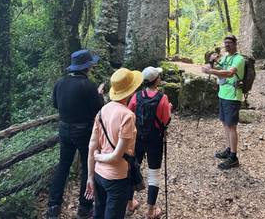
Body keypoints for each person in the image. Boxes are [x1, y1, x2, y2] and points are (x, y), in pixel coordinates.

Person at [47, 49, 104, 219]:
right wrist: (99, 95)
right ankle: (84, 207)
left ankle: (53, 206)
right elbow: (98, 109)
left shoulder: (60, 83)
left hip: (64, 129)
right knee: (88, 166)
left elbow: (56, 105)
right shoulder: (89, 85)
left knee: (63, 166)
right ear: (87, 67)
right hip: (84, 131)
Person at [85, 67, 143, 219]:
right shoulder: (128, 115)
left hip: (98, 175)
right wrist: (99, 157)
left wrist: (90, 177)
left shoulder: (102, 111)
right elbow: (117, 156)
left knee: (98, 214)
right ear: (130, 91)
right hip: (117, 177)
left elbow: (92, 146)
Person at [128, 66, 172, 219]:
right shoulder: (163, 98)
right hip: (155, 140)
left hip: (137, 139)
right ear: (157, 80)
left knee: (133, 168)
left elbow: (130, 114)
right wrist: (169, 109)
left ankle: (130, 203)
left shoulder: (136, 96)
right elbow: (165, 120)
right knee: (154, 174)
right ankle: (150, 211)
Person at [202, 34, 245, 170]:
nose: (227, 45)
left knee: (231, 126)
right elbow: (220, 70)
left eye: (229, 43)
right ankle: (228, 149)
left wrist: (211, 71)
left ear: (235, 44)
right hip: (223, 94)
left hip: (233, 96)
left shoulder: (239, 59)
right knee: (225, 123)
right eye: (225, 43)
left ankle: (233, 157)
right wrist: (211, 62)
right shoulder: (226, 58)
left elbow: (229, 73)